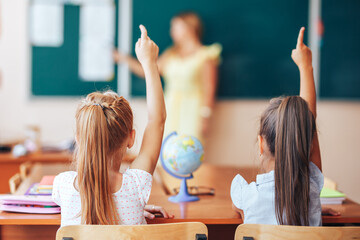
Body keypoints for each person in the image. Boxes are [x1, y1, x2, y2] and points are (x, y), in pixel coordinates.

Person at [52, 25, 172, 226]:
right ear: (131, 138)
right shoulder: (136, 187)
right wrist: (149, 62)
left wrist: (133, 206)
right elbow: (156, 121)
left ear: (79, 139)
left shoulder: (63, 185)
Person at [231, 27, 324, 226]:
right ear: (307, 144)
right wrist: (306, 67)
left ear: (261, 143)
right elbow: (309, 123)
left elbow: (308, 124)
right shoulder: (312, 188)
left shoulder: (246, 195)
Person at [114, 12, 221, 141]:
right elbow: (148, 70)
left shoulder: (205, 55)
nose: (172, 32)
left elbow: (209, 88)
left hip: (193, 111)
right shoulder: (171, 54)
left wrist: (205, 117)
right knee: (166, 146)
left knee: (189, 148)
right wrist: (123, 59)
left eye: (176, 27)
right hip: (169, 107)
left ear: (190, 29)